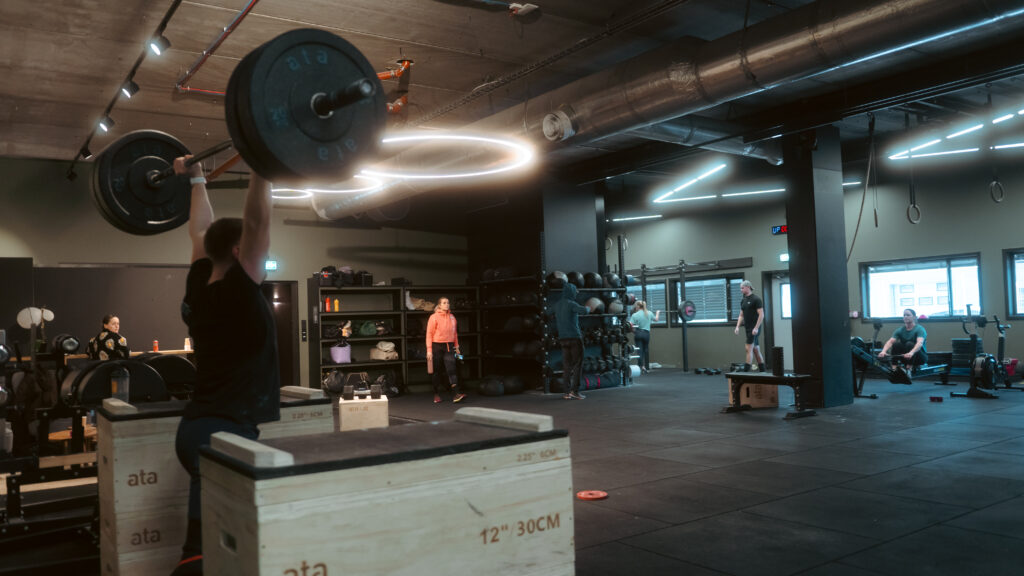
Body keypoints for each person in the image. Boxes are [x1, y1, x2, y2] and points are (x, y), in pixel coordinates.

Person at [170, 155, 279, 576]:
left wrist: (197, 179)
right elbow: (257, 223)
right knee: (202, 555)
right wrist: (261, 162)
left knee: (219, 546)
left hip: (198, 428)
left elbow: (200, 231)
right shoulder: (238, 291)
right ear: (239, 251)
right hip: (223, 435)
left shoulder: (199, 285)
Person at [552, 282, 591, 400]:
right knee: (577, 365)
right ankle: (575, 391)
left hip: (563, 339)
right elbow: (584, 311)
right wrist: (589, 307)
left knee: (567, 366)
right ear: (571, 292)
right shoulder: (572, 304)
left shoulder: (557, 305)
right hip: (574, 338)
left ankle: (566, 392)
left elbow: (547, 312)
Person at [426, 297, 465, 404]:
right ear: (439, 305)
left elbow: (454, 333)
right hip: (437, 346)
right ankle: (436, 394)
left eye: (448, 302)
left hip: (449, 346)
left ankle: (456, 394)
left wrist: (457, 347)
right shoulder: (433, 317)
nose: (447, 304)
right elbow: (429, 334)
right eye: (444, 303)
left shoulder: (452, 317)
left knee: (452, 370)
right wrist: (429, 350)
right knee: (437, 372)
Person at [734, 280, 765, 372]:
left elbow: (761, 315)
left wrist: (756, 328)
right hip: (748, 328)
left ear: (748, 287)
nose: (741, 290)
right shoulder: (743, 300)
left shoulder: (756, 299)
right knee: (756, 349)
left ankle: (746, 371)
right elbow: (741, 315)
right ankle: (763, 370)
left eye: (742, 288)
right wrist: (737, 326)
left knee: (748, 348)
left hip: (754, 328)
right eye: (740, 288)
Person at [629, 301, 660, 374]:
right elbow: (656, 319)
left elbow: (630, 325)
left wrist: (633, 331)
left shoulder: (635, 315)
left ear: (638, 306)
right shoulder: (649, 313)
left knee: (639, 351)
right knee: (645, 350)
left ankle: (641, 366)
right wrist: (658, 312)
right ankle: (645, 366)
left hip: (638, 333)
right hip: (646, 334)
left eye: (636, 306)